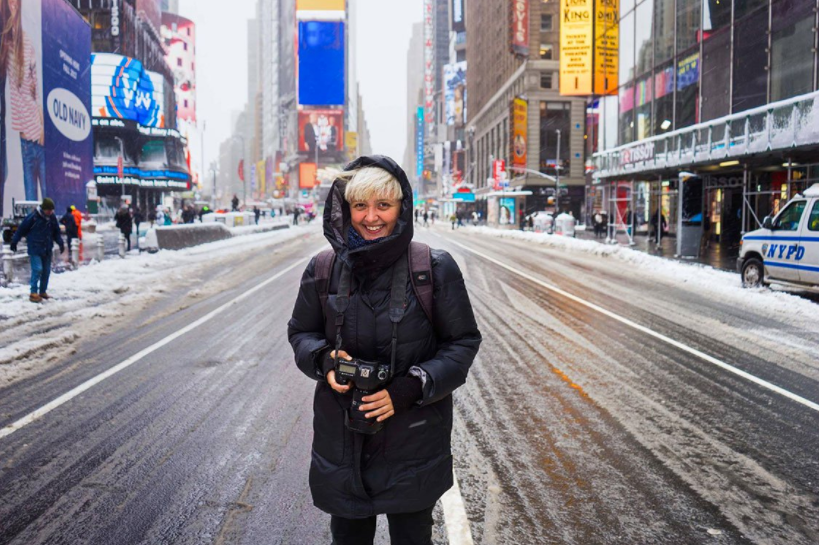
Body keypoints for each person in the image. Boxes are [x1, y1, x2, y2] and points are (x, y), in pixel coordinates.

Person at [288, 155, 481, 545]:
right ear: (345, 209)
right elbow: (301, 333)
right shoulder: (323, 268)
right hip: (341, 442)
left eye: (383, 205)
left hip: (413, 442)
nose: (370, 217)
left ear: (401, 208)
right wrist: (324, 361)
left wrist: (407, 389)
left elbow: (462, 343)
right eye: (360, 206)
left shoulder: (433, 268)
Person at [7, 0, 45, 201]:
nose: (13, 6)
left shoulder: (26, 42)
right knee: (30, 203)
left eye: (16, 3)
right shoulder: (7, 46)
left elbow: (36, 91)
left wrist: (41, 129)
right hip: (24, 141)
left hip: (38, 137)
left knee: (43, 202)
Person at [10, 197, 64, 303]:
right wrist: (14, 241)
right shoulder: (33, 217)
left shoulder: (52, 218)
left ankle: (42, 291)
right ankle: (33, 293)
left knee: (46, 271)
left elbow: (56, 232)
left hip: (47, 248)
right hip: (35, 247)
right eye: (49, 210)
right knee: (38, 269)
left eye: (52, 210)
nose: (51, 212)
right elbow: (21, 229)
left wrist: (60, 242)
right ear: (44, 209)